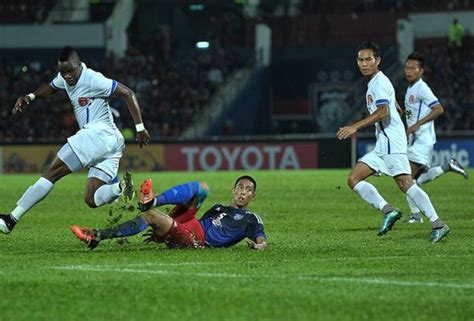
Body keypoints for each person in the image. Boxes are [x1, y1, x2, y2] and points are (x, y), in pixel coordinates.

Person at [0, 46, 151, 234]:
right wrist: (30, 96)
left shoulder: (93, 79)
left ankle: (11, 219)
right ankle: (121, 187)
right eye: (63, 72)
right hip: (111, 142)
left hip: (97, 135)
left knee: (51, 173)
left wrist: (140, 128)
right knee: (91, 198)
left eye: (70, 71)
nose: (67, 76)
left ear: (79, 66)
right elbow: (52, 87)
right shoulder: (65, 78)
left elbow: (128, 93)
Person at [336, 41, 450, 242]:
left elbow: (382, 112)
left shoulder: (378, 82)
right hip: (383, 142)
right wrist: (397, 105)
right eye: (360, 60)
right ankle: (389, 210)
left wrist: (354, 126)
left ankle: (438, 223)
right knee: (354, 179)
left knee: (406, 183)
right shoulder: (377, 82)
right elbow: (389, 104)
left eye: (368, 59)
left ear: (377, 60)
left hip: (391, 141)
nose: (364, 64)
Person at [70, 175, 267, 250]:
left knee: (151, 216)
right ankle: (152, 200)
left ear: (253, 196)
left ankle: (97, 236)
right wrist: (165, 229)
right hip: (194, 227)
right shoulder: (218, 208)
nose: (243, 192)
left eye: (248, 190)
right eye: (240, 187)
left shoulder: (251, 219)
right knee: (202, 188)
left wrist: (258, 247)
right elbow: (189, 220)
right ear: (233, 190)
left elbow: (262, 241)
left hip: (199, 241)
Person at [402, 52, 468, 223]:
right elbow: (412, 112)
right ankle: (447, 166)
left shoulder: (422, 88)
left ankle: (418, 216)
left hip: (422, 139)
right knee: (415, 179)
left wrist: (417, 125)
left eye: (413, 68)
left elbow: (438, 109)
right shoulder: (410, 88)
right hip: (414, 139)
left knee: (406, 178)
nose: (408, 71)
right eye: (407, 67)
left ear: (421, 70)